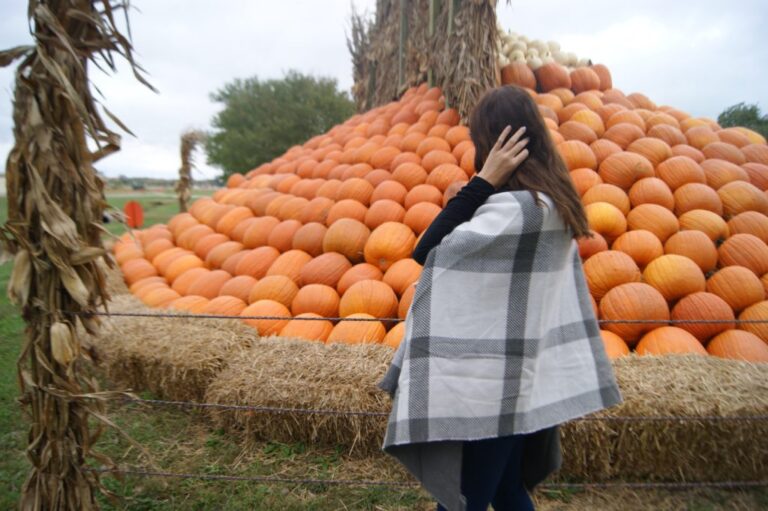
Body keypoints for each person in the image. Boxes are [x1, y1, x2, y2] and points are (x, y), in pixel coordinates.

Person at [379, 85, 622, 511]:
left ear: (494, 144)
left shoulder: (518, 211)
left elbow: (430, 249)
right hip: (521, 377)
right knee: (508, 491)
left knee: (465, 501)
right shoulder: (553, 204)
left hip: (490, 388)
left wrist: (482, 181)